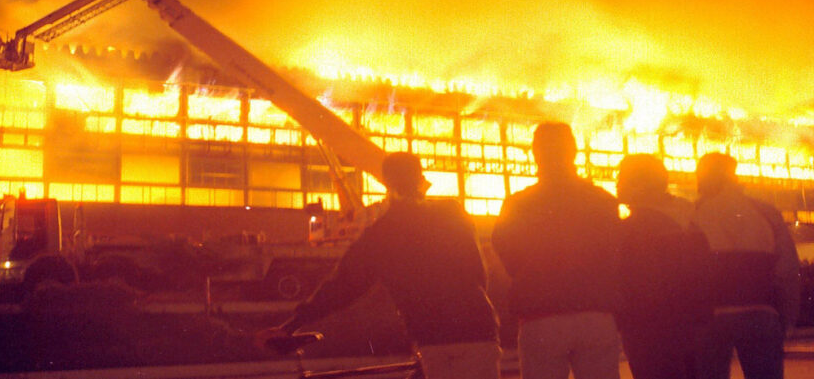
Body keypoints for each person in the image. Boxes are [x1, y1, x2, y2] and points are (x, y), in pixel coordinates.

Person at [256, 152, 500, 379]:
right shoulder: (452, 214)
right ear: (421, 178)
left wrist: (291, 325)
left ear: (387, 182)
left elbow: (343, 285)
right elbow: (479, 271)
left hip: (432, 335)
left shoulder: (382, 233)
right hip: (475, 329)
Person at [491, 122, 622, 379]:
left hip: (541, 315)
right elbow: (615, 251)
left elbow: (504, 247)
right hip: (595, 313)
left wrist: (530, 273)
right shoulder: (602, 200)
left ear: (535, 153)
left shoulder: (518, 204)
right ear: (573, 151)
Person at [692, 153, 800, 379]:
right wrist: (787, 318)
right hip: (761, 316)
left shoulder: (694, 214)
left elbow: (684, 272)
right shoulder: (766, 213)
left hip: (710, 320)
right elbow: (787, 269)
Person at [615, 154, 711, 379]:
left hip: (649, 332)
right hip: (692, 329)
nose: (617, 184)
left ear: (639, 185)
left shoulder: (636, 229)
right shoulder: (691, 219)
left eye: (621, 178)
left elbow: (638, 285)